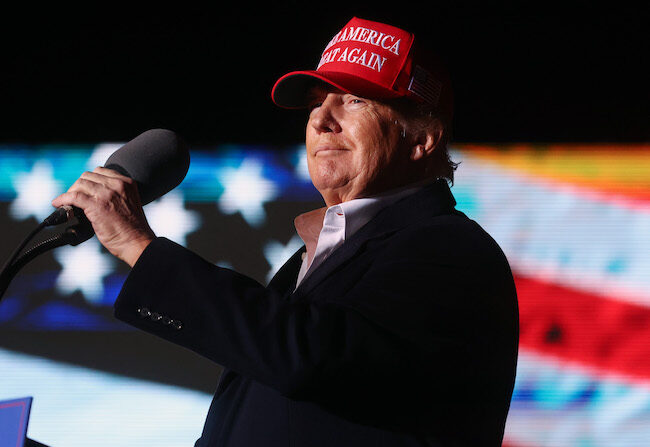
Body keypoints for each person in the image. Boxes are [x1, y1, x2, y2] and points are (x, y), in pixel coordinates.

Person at [52, 16, 518, 447]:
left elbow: (309, 357)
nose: (320, 119)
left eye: (353, 100)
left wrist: (138, 245)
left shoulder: (450, 249)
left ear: (421, 138)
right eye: (318, 103)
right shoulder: (313, 257)